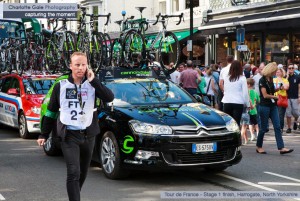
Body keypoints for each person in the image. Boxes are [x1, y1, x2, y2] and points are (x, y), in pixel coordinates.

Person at [37, 52, 114, 201]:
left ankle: (75, 196)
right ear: (70, 66)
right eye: (77, 65)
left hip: (88, 135)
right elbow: (51, 111)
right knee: (73, 172)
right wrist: (44, 134)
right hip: (69, 135)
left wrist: (94, 81)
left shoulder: (92, 84)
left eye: (83, 65)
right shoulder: (61, 86)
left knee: (83, 173)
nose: (80, 68)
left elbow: (109, 97)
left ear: (87, 66)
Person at [256, 62, 293, 154]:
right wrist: (275, 97)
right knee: (264, 128)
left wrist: (279, 88)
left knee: (277, 126)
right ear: (270, 71)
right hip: (264, 106)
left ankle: (281, 148)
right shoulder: (262, 80)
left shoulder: (271, 79)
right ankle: (259, 146)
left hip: (273, 106)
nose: (275, 73)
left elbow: (272, 90)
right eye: (274, 71)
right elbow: (264, 95)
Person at [222, 60, 250, 125]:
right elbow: (245, 93)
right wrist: (247, 104)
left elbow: (225, 90)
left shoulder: (226, 77)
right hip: (238, 102)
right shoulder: (242, 78)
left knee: (228, 123)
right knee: (236, 123)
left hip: (227, 101)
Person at [273, 68, 289, 133]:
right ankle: (276, 127)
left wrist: (280, 80)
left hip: (281, 99)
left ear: (282, 73)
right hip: (274, 98)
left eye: (279, 72)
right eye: (276, 72)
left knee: (280, 114)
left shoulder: (285, 80)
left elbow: (286, 87)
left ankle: (280, 128)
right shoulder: (273, 79)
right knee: (274, 114)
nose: (277, 73)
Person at [285, 63, 300, 133]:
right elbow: (284, 85)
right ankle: (289, 127)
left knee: (296, 113)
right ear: (287, 69)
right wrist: (287, 76)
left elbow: (299, 87)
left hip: (295, 97)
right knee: (288, 113)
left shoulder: (297, 76)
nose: (291, 69)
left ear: (294, 69)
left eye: (292, 68)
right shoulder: (286, 77)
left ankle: (295, 121)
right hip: (287, 97)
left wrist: (299, 96)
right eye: (289, 68)